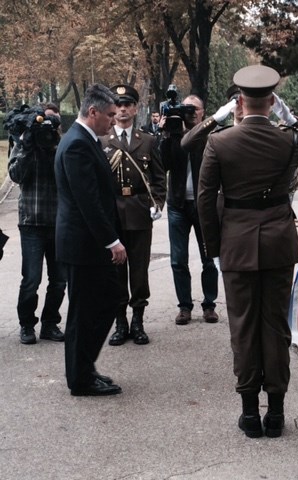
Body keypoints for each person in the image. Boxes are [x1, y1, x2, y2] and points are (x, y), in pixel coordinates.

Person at [198, 65, 298, 438]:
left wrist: (214, 247)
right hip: (278, 243)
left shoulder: (219, 142)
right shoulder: (290, 140)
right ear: (272, 102)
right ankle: (277, 413)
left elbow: (205, 200)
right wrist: (292, 118)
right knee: (275, 326)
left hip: (236, 243)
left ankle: (250, 413)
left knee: (243, 327)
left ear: (239, 101)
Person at [55, 84, 126, 396]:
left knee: (106, 301)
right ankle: (81, 378)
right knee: (84, 313)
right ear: (93, 112)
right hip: (83, 245)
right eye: (109, 115)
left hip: (89, 244)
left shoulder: (86, 140)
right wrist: (112, 241)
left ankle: (84, 368)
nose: (114, 120)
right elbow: (88, 201)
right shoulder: (76, 145)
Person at [101, 85, 166, 346]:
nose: (123, 110)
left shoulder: (147, 140)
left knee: (139, 270)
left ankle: (138, 321)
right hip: (113, 213)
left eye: (128, 104)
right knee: (115, 270)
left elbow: (159, 178)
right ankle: (120, 323)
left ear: (136, 108)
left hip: (139, 211)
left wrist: (157, 204)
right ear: (112, 109)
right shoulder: (103, 141)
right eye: (118, 105)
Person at [160, 94, 230, 325]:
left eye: (194, 109)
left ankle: (209, 305)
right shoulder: (174, 132)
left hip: (204, 205)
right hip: (178, 204)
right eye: (186, 108)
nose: (189, 113)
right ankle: (184, 307)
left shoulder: (211, 136)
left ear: (203, 112)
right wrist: (167, 134)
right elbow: (164, 164)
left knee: (209, 257)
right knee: (178, 259)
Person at [8, 103, 67, 345]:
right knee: (31, 279)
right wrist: (28, 145)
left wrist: (53, 145)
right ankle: (27, 325)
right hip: (31, 222)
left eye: (55, 120)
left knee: (60, 279)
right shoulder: (25, 143)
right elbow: (15, 176)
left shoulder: (61, 145)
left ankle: (50, 323)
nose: (50, 125)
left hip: (59, 222)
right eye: (46, 119)